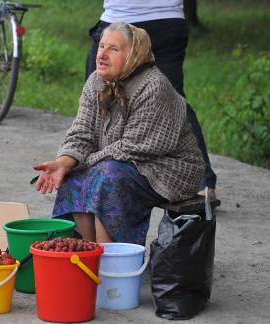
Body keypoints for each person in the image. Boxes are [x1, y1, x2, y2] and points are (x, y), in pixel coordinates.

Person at [33, 23, 204, 245]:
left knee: (107, 176)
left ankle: (111, 260)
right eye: (101, 46)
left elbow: (136, 146)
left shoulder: (153, 85)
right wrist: (64, 162)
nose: (101, 54)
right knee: (74, 177)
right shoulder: (97, 81)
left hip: (167, 169)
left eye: (113, 49)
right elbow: (81, 131)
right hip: (121, 163)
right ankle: (87, 255)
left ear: (134, 54)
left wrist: (86, 162)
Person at [85, 0, 217, 198]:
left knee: (101, 99)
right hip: (167, 20)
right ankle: (203, 182)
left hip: (121, 19)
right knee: (174, 101)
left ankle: (94, 171)